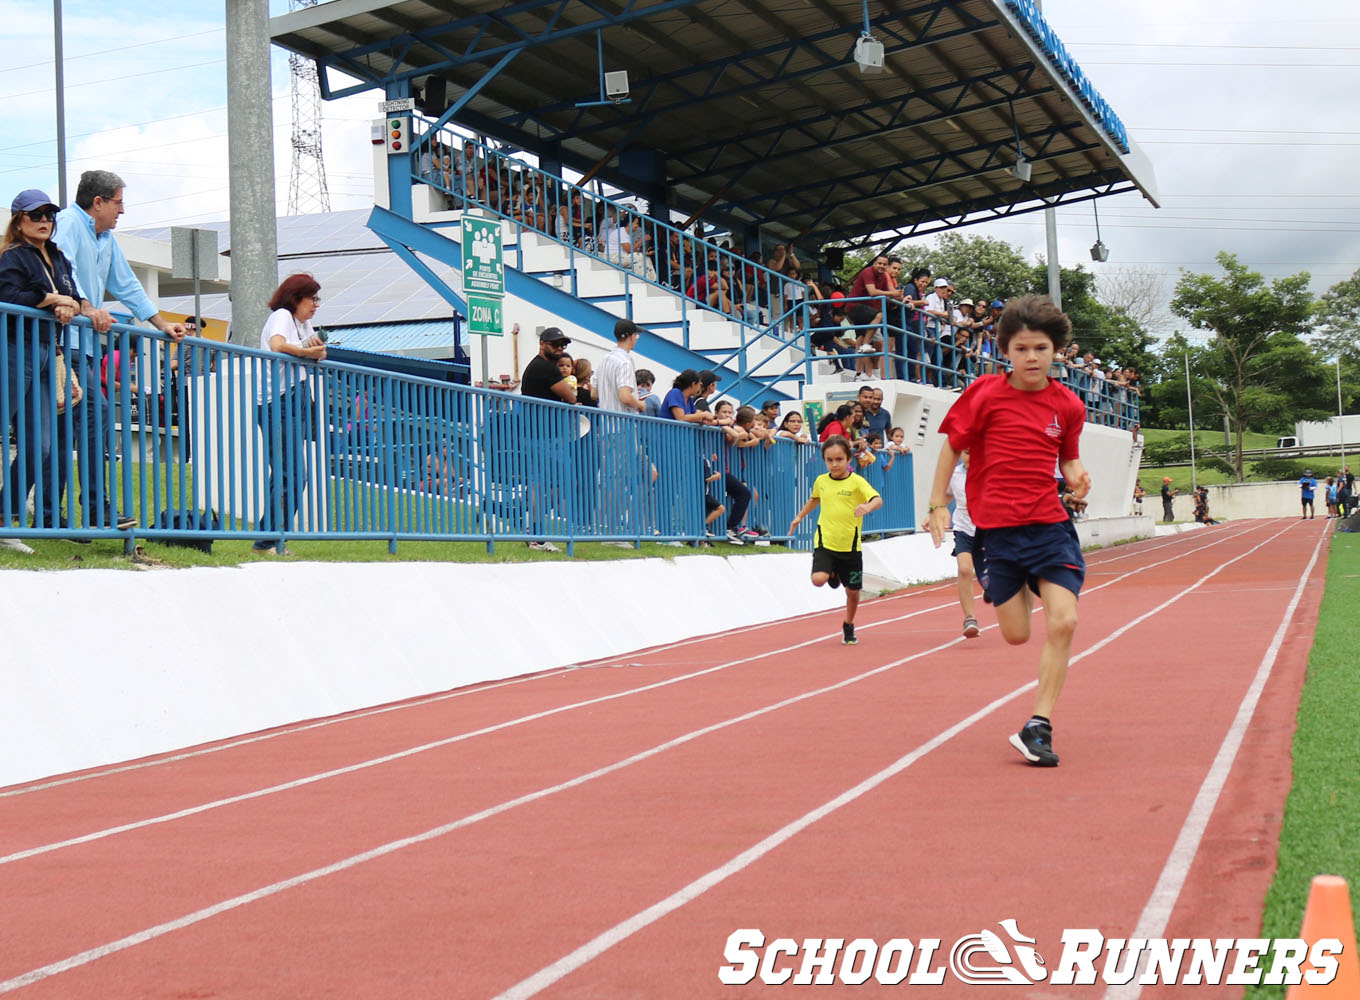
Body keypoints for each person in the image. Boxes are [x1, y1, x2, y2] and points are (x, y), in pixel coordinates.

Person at [927, 294, 1090, 767]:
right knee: (1017, 635)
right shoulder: (983, 393)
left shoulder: (1069, 406)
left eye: (1040, 347)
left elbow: (1069, 457)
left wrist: (1077, 475)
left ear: (1056, 350)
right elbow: (950, 449)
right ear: (1006, 351)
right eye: (1022, 349)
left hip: (1050, 526)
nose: (1032, 357)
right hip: (997, 531)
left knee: (1065, 621)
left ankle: (1038, 725)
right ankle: (1009, 586)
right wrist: (938, 503)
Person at [54, 170, 184, 532]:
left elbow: (126, 284)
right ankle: (95, 509)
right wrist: (85, 304)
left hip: (86, 345)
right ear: (98, 203)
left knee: (67, 430)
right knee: (93, 414)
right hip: (67, 342)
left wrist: (161, 324)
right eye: (118, 203)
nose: (122, 211)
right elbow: (62, 269)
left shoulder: (106, 237)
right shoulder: (67, 223)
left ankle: (48, 513)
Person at [0, 189, 88, 552]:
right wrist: (54, 300)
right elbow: (8, 296)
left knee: (43, 446)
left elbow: (78, 297)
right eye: (35, 215)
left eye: (49, 214)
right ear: (18, 220)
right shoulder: (12, 256)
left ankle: (6, 521)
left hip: (46, 352)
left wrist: (73, 305)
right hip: (12, 347)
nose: (44, 221)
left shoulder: (58, 256)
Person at [252, 274, 325, 556]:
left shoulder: (303, 322)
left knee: (288, 475)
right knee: (292, 475)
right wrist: (308, 352)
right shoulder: (282, 315)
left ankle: (269, 539)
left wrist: (314, 350)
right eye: (313, 299)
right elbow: (278, 345)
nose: (316, 305)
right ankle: (268, 541)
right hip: (278, 402)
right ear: (297, 298)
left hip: (295, 400)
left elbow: (321, 353)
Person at [787, 435, 883, 645]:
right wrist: (799, 516)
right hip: (825, 542)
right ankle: (832, 573)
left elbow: (877, 499)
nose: (834, 464)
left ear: (849, 459)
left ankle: (848, 624)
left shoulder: (857, 482)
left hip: (850, 546)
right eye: (829, 460)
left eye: (839, 459)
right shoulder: (821, 481)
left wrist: (867, 507)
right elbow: (815, 499)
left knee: (853, 593)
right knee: (818, 579)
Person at [932, 450, 980, 639]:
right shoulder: (955, 475)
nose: (970, 457)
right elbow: (946, 496)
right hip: (964, 529)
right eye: (967, 453)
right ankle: (970, 617)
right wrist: (935, 511)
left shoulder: (990, 472)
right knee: (965, 570)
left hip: (989, 530)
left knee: (995, 572)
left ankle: (992, 586)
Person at [595, 319, 646, 414]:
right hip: (623, 423)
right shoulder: (625, 362)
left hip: (606, 422)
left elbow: (593, 393)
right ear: (631, 337)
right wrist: (640, 405)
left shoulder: (604, 359)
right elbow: (625, 397)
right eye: (636, 336)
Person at [520, 327, 576, 404]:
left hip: (532, 414)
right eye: (555, 344)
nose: (560, 348)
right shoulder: (547, 367)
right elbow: (572, 399)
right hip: (544, 415)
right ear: (542, 344)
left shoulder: (536, 363)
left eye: (563, 345)